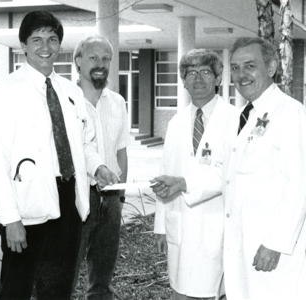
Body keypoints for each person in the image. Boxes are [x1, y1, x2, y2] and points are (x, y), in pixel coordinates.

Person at [154, 37, 306, 299]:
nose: (241, 75)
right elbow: (224, 174)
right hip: (244, 245)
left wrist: (275, 243)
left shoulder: (290, 113)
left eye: (250, 66)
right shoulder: (248, 116)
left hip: (270, 246)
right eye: (235, 68)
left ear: (271, 68)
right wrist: (184, 183)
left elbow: (299, 185)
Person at [0, 11, 118, 300]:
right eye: (37, 39)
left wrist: (99, 168)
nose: (46, 47)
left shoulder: (70, 91)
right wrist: (10, 219)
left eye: (52, 39)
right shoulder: (4, 92)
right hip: (25, 208)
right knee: (17, 289)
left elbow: (84, 144)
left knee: (57, 289)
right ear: (24, 45)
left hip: (68, 203)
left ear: (60, 45)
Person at [151, 49, 238, 300]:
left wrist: (184, 183)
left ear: (219, 78)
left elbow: (228, 173)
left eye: (206, 72)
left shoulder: (234, 120)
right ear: (183, 81)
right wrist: (160, 227)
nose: (198, 79)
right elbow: (163, 173)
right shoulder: (176, 122)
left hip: (216, 223)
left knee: (213, 291)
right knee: (181, 291)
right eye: (191, 73)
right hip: (180, 223)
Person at [72, 36, 130, 300]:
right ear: (78, 61)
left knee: (102, 275)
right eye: (93, 58)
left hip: (110, 197)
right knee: (67, 268)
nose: (101, 64)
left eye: (106, 59)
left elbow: (121, 151)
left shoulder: (117, 102)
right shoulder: (67, 100)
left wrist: (120, 196)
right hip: (76, 197)